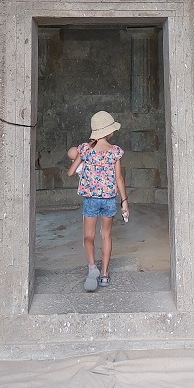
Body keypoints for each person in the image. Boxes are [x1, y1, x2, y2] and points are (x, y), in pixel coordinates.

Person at [67, 110, 129, 292]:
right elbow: (119, 179)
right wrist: (124, 201)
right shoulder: (115, 152)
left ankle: (92, 267)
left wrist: (81, 162)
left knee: (88, 236)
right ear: (109, 132)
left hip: (91, 199)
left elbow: (70, 172)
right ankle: (104, 274)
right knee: (106, 235)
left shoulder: (86, 150)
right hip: (109, 199)